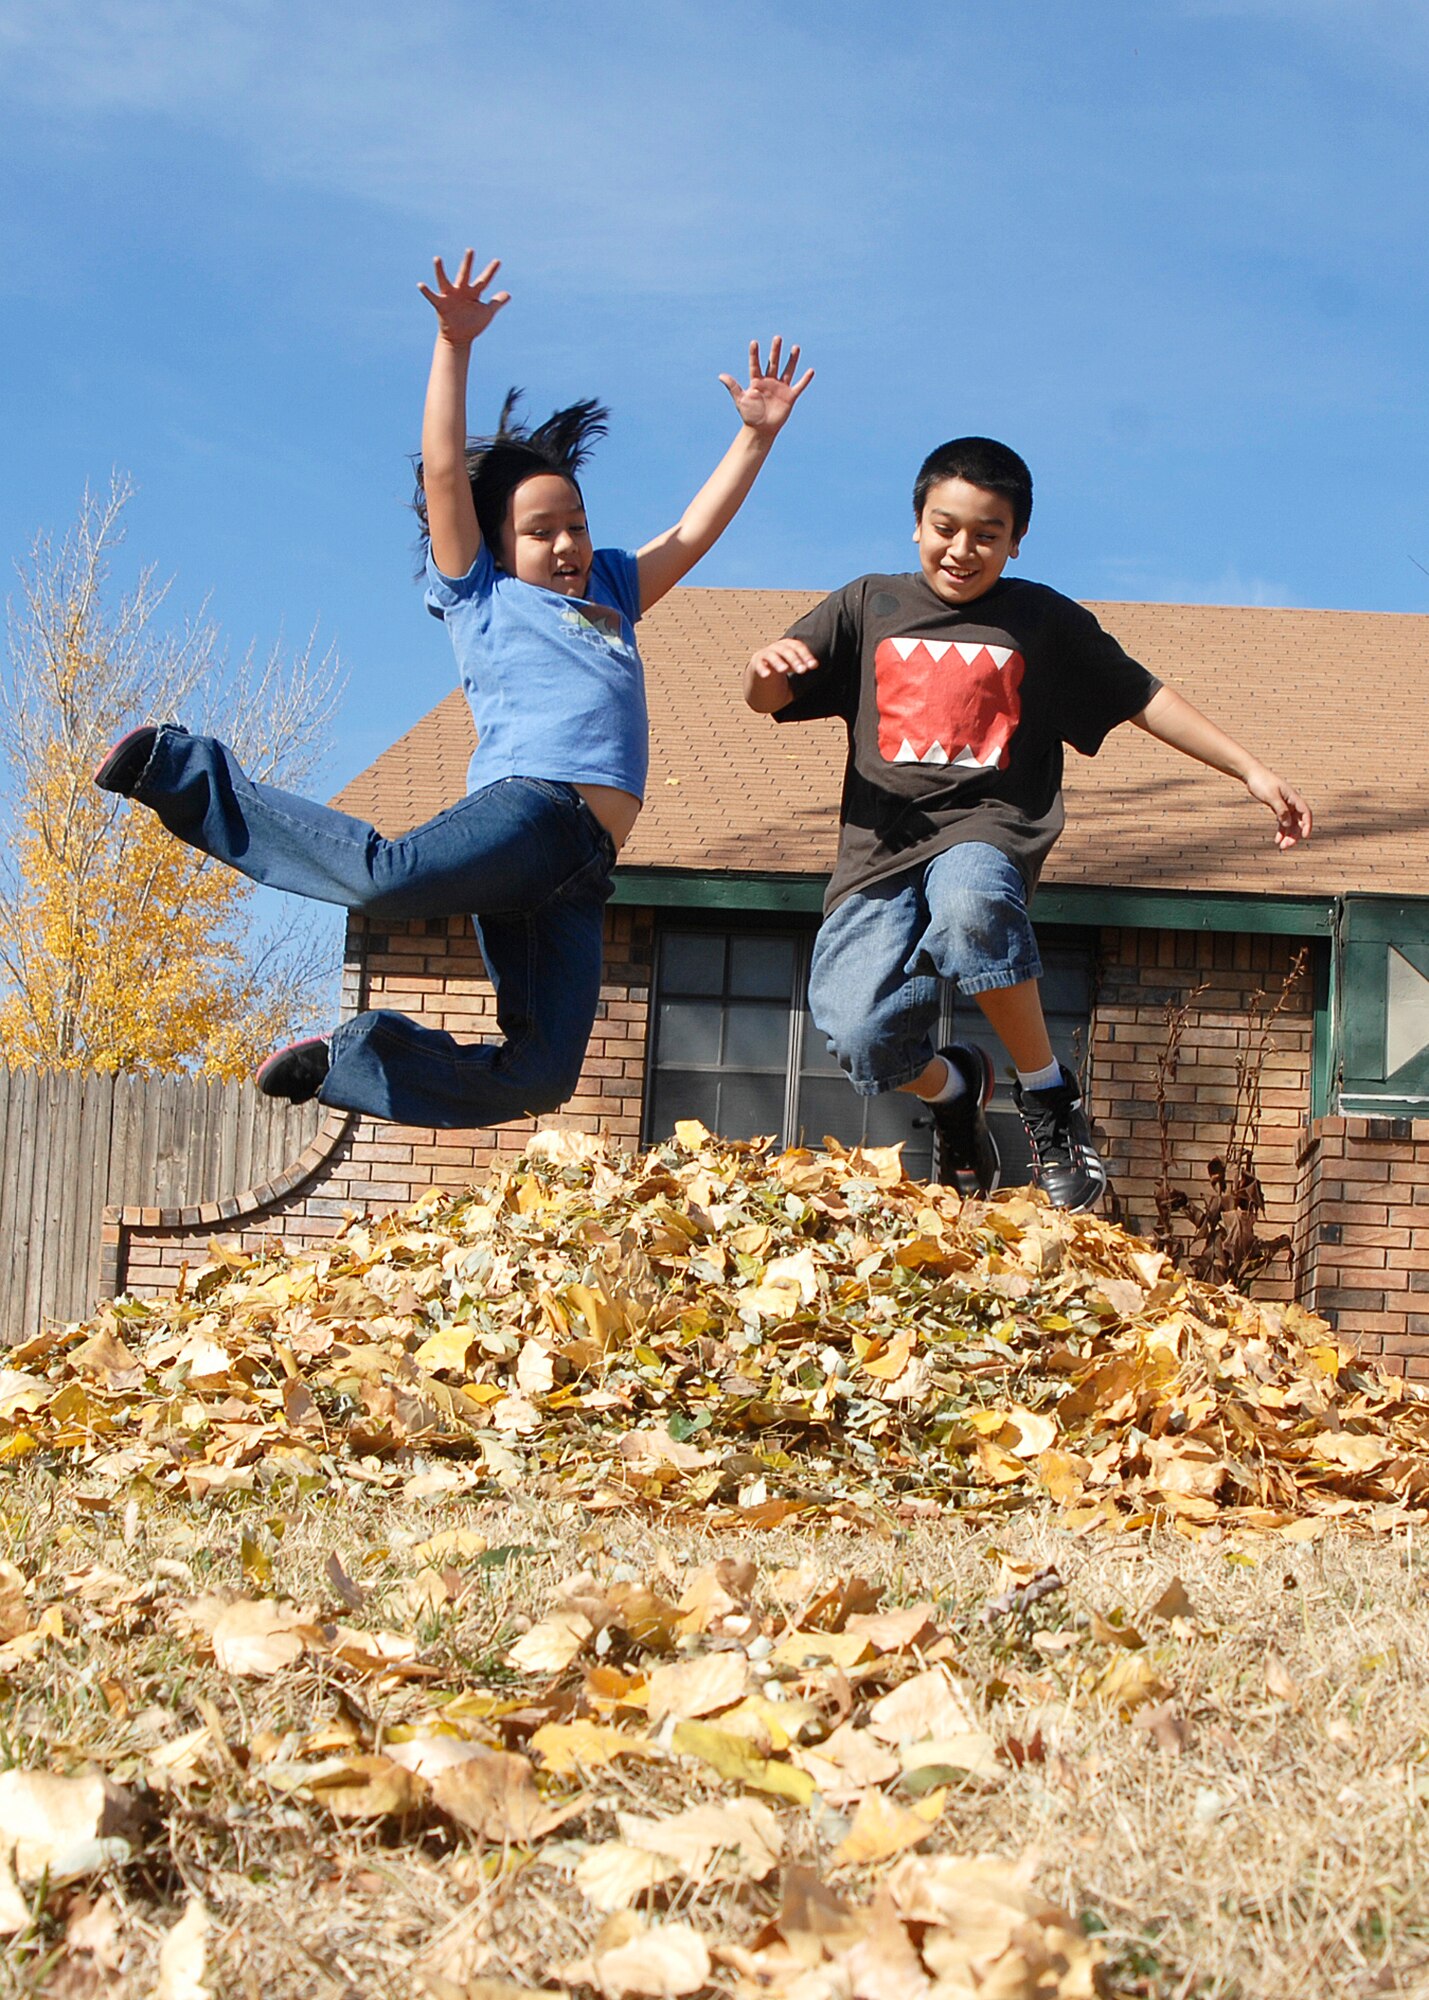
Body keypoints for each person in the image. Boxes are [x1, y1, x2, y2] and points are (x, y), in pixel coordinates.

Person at [94, 250, 812, 1129]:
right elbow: (443, 472)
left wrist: (756, 435)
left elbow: (693, 531)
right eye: (541, 532)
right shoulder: (481, 591)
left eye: (577, 526)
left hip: (580, 868)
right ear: (498, 544)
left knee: (540, 1077)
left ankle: (356, 1061)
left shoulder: (613, 593)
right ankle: (178, 768)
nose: (566, 547)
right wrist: (451, 344)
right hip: (528, 811)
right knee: (380, 880)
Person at [743, 435, 1311, 1209]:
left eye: (987, 534)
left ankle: (1046, 1097)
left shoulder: (1039, 620)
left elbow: (1141, 695)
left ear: (1015, 539)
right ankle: (954, 1090)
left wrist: (1248, 768)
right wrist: (760, 672)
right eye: (946, 527)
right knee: (860, 1034)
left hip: (987, 827)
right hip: (879, 851)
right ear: (916, 524)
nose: (962, 549)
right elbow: (769, 698)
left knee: (972, 904)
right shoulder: (867, 603)